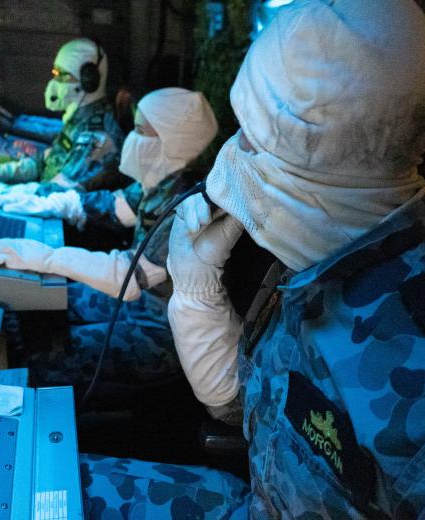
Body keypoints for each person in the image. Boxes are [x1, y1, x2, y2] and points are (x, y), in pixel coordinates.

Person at [167, 0, 425, 517]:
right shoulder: (308, 262)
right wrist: (197, 300)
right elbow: (252, 410)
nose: (236, 154)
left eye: (269, 138)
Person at [0, 87, 219, 394]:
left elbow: (130, 277)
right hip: (140, 304)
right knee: (43, 301)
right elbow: (114, 206)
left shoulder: (189, 205)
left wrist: (49, 258)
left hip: (164, 333)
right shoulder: (164, 183)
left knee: (42, 360)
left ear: (172, 142)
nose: (130, 139)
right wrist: (50, 200)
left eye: (139, 131)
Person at [0, 38, 125, 196]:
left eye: (63, 76)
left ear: (88, 82)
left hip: (63, 224)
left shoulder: (99, 135)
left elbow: (60, 195)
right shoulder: (80, 119)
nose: (54, 83)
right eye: (55, 73)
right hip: (43, 202)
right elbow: (46, 161)